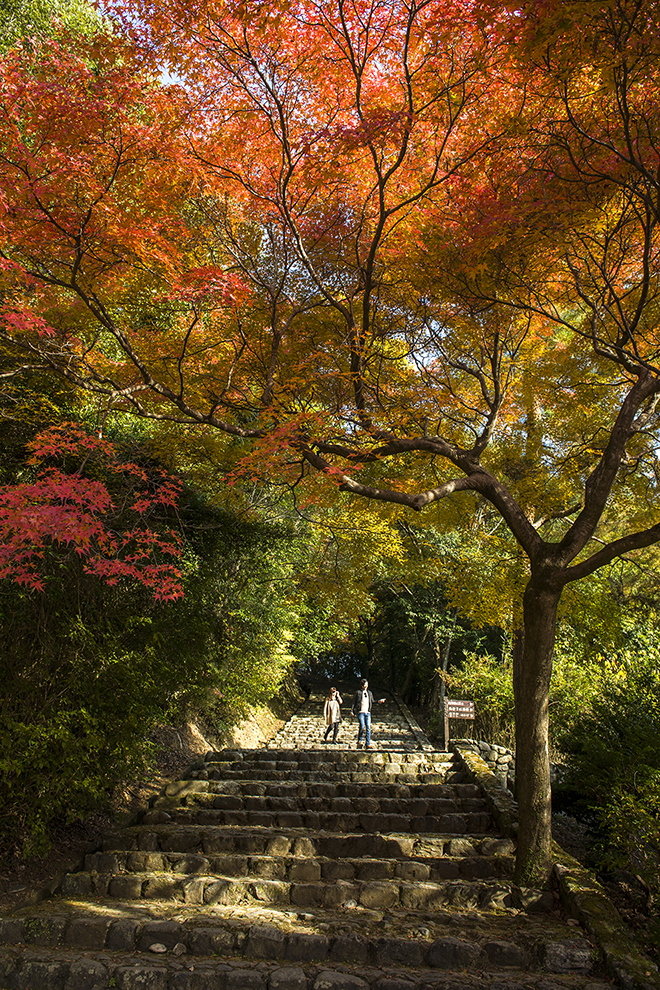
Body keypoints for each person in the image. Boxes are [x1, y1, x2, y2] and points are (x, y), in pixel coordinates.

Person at [350, 679, 384, 749]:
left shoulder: (369, 693)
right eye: (365, 684)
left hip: (367, 713)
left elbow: (372, 701)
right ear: (362, 685)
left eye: (367, 684)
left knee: (368, 727)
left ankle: (367, 743)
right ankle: (360, 739)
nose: (366, 685)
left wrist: (378, 701)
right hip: (361, 712)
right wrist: (352, 710)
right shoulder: (358, 692)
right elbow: (354, 702)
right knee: (362, 725)